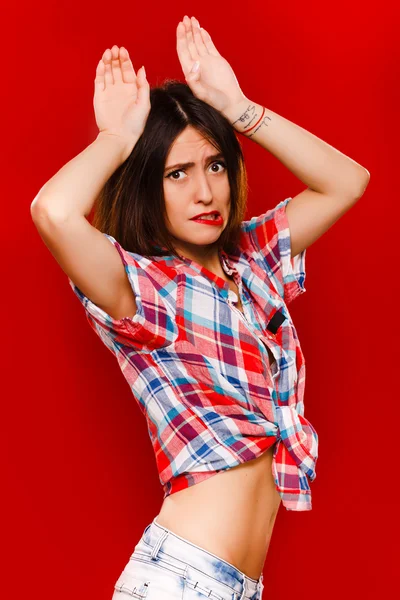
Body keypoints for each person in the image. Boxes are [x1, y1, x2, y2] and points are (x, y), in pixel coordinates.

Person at [30, 15, 370, 600]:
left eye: (214, 165)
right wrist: (115, 139)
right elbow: (54, 213)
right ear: (147, 185)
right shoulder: (142, 287)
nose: (206, 192)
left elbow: (348, 180)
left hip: (243, 586)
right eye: (177, 174)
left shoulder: (254, 261)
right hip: (179, 579)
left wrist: (238, 109)